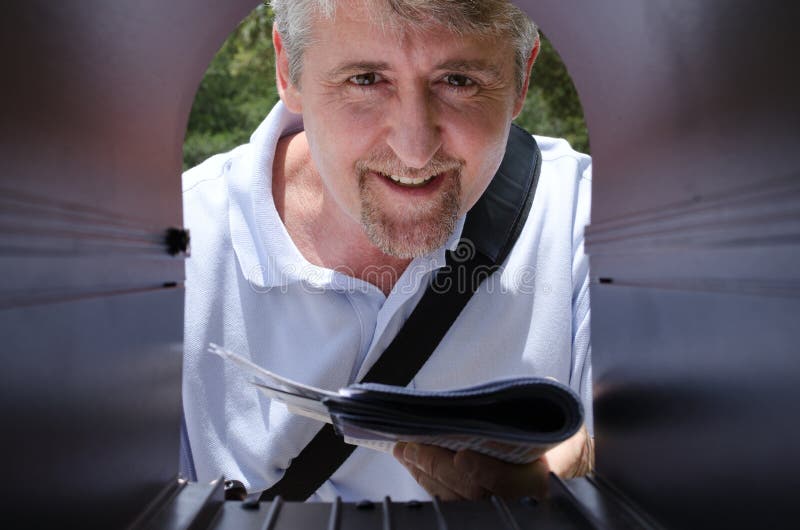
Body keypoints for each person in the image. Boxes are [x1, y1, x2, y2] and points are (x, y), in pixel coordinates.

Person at [181, 0, 593, 502]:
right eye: (366, 79)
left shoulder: (593, 223)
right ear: (288, 68)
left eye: (459, 81)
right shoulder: (177, 245)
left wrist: (581, 470)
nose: (415, 150)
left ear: (521, 81)